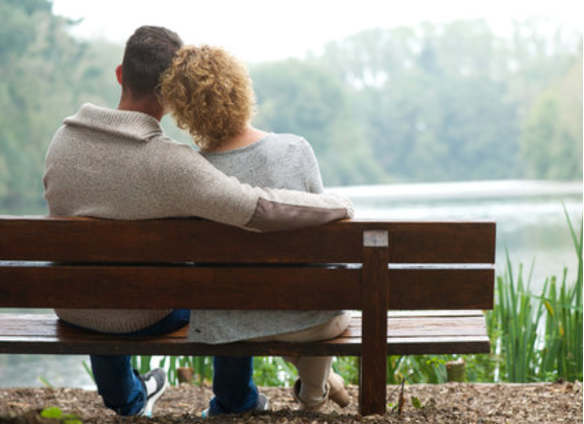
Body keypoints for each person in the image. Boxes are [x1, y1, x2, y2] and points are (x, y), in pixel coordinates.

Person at [42, 26, 354, 418]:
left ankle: (128, 400)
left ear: (120, 74)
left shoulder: (61, 141)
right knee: (221, 286)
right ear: (172, 95)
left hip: (73, 306)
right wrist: (335, 205)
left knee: (100, 280)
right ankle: (238, 400)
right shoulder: (173, 163)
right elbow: (257, 208)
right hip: (147, 314)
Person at [160, 44, 352, 416]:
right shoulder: (296, 149)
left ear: (184, 111)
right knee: (315, 296)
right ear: (240, 89)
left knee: (253, 302)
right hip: (310, 320)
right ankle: (314, 397)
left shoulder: (196, 173)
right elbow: (323, 237)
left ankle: (316, 388)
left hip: (232, 326)